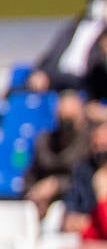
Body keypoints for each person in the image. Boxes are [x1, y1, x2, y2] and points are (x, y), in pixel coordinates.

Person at [26, 0, 107, 93]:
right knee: (16, 91)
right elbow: (52, 53)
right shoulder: (74, 27)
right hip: (57, 76)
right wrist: (40, 73)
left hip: (84, 80)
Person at [24, 90, 87, 218]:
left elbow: (87, 181)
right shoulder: (44, 140)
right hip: (41, 202)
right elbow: (30, 174)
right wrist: (35, 192)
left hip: (76, 206)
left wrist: (56, 185)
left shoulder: (89, 142)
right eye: (62, 118)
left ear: (80, 116)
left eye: (70, 119)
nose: (66, 124)